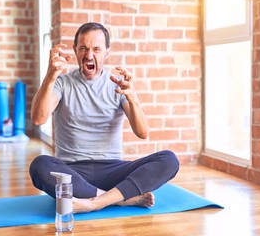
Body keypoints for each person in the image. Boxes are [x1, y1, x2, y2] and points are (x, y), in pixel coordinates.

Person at [29, 22, 179, 213]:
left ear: (106, 52)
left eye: (96, 49)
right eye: (83, 48)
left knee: (169, 160)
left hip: (113, 170)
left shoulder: (117, 85)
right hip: (73, 171)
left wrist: (132, 98)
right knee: (39, 165)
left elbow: (142, 132)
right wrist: (50, 77)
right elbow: (38, 119)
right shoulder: (62, 83)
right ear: (75, 50)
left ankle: (95, 202)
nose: (89, 55)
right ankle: (120, 199)